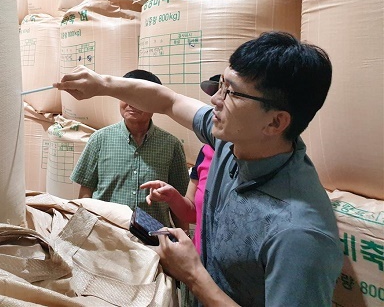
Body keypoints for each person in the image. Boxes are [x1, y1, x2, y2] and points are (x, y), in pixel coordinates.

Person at [54, 32, 343, 306]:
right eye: (222, 85)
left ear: (275, 123)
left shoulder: (299, 233)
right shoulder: (232, 142)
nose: (215, 100)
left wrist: (192, 275)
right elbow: (168, 100)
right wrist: (101, 84)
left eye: (233, 94)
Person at [70, 69, 190, 228]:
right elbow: (86, 192)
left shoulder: (171, 145)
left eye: (140, 98)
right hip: (108, 237)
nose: (132, 103)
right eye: (126, 96)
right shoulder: (99, 139)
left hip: (154, 241)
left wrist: (185, 237)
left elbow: (178, 200)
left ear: (156, 103)